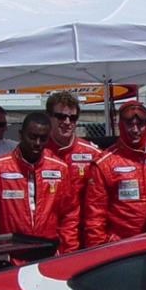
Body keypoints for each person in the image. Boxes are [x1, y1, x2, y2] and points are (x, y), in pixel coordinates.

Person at [0, 112, 79, 259]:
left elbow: (70, 214)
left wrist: (68, 253)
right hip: (12, 257)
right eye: (32, 136)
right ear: (21, 134)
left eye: (43, 139)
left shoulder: (59, 168)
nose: (37, 143)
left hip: (49, 254)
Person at [82, 101, 146, 246]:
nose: (135, 130)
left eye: (140, 124)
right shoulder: (104, 163)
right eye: (130, 124)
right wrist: (99, 253)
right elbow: (94, 219)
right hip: (121, 248)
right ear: (121, 125)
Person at [44, 91, 102, 231]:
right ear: (48, 117)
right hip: (48, 230)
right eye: (61, 117)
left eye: (73, 117)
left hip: (81, 230)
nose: (67, 122)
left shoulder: (93, 153)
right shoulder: (38, 152)